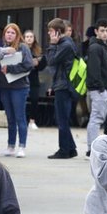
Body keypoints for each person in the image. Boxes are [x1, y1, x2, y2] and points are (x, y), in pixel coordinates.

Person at [0, 23, 33, 158]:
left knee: (20, 117)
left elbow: (28, 65)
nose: (9, 35)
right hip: (5, 87)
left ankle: (22, 146)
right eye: (7, 32)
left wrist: (10, 69)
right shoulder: (3, 49)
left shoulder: (23, 47)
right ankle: (10, 146)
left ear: (17, 35)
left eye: (12, 33)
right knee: (10, 118)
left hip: (19, 87)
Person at [45, 18, 80, 159]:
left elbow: (51, 61)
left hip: (64, 86)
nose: (49, 33)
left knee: (62, 119)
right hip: (62, 84)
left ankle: (64, 150)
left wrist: (53, 45)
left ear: (58, 32)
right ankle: (71, 148)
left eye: (51, 31)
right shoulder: (65, 43)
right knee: (62, 118)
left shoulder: (65, 45)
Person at [86, 19, 107, 156]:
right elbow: (94, 70)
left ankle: (93, 147)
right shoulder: (95, 47)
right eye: (102, 30)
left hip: (105, 88)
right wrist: (101, 88)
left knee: (99, 118)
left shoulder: (103, 46)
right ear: (96, 31)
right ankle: (92, 148)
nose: (105, 33)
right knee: (96, 118)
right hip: (98, 89)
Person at [23, 29, 46, 130]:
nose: (29, 39)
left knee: (34, 99)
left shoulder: (38, 50)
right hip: (22, 79)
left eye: (31, 37)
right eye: (27, 37)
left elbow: (42, 65)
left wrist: (38, 63)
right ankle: (22, 120)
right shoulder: (21, 49)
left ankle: (32, 121)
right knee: (22, 100)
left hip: (33, 79)